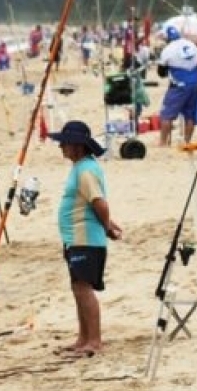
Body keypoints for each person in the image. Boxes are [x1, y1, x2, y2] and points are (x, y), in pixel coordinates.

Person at [50, 121, 121, 358]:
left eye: (64, 143)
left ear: (77, 146)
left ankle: (94, 340)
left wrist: (106, 226)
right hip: (75, 238)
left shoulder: (86, 170)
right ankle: (83, 338)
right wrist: (108, 225)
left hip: (86, 239)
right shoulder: (81, 167)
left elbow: (98, 201)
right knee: (77, 288)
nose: (61, 147)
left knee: (84, 288)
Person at [157, 25, 197, 146]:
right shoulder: (191, 44)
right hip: (195, 83)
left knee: (167, 114)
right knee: (190, 115)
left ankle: (163, 142)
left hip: (178, 85)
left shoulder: (168, 49)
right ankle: (187, 140)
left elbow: (161, 72)